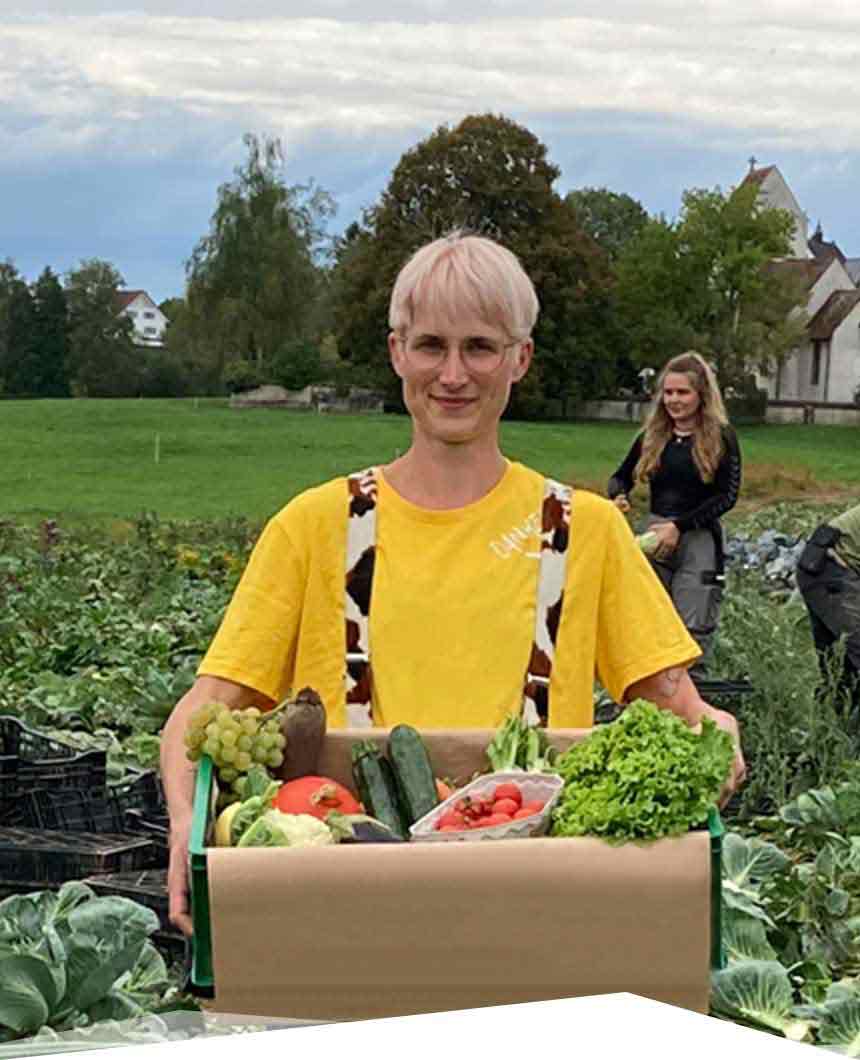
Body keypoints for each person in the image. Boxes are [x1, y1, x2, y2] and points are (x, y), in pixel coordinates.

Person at [161, 234, 746, 936]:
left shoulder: (583, 530)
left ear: (519, 359)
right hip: (342, 908)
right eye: (431, 345)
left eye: (480, 347)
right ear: (396, 352)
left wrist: (717, 732)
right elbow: (200, 715)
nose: (454, 373)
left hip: (532, 907)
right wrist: (183, 827)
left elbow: (681, 706)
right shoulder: (313, 527)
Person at [607, 352, 742, 672]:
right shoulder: (652, 436)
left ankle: (693, 705)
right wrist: (619, 495)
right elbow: (619, 477)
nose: (674, 400)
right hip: (654, 540)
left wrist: (679, 526)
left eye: (683, 393)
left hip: (698, 540)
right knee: (651, 628)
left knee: (691, 633)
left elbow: (727, 496)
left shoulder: (722, 437)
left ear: (701, 396)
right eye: (668, 393)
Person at [796, 502, 860, 719]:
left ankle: (832, 738)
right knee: (842, 667)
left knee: (842, 673)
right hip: (831, 569)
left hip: (829, 566)